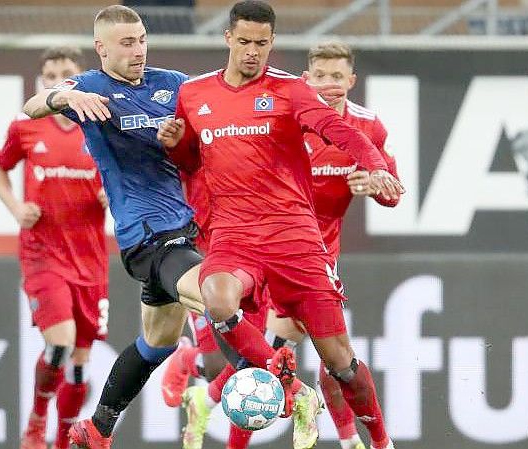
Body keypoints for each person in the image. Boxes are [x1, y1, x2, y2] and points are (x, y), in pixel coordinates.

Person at [157, 3, 403, 449]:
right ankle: (292, 389)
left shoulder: (291, 91)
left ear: (272, 43)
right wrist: (176, 149)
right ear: (228, 38)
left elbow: (337, 129)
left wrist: (375, 166)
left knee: (341, 362)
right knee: (217, 299)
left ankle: (381, 442)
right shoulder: (193, 94)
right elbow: (194, 161)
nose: (253, 52)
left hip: (295, 239)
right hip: (234, 236)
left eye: (263, 44)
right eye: (246, 42)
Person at [22, 5, 206, 449]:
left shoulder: (173, 83)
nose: (138, 49)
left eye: (141, 39)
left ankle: (98, 428)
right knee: (221, 298)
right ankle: (209, 370)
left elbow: (208, 135)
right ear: (101, 49)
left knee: (157, 340)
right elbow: (32, 107)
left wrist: (184, 139)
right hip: (145, 235)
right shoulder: (90, 88)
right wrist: (65, 97)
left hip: (189, 223)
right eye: (127, 43)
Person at [0, 47, 109, 449]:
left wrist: (114, 194)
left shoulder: (99, 128)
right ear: (42, 82)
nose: (59, 80)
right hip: (43, 254)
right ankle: (37, 420)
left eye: (67, 73)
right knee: (59, 342)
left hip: (90, 260)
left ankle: (62, 440)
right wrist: (16, 207)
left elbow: (122, 180)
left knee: (79, 365)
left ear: (80, 78)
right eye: (51, 74)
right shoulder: (26, 128)